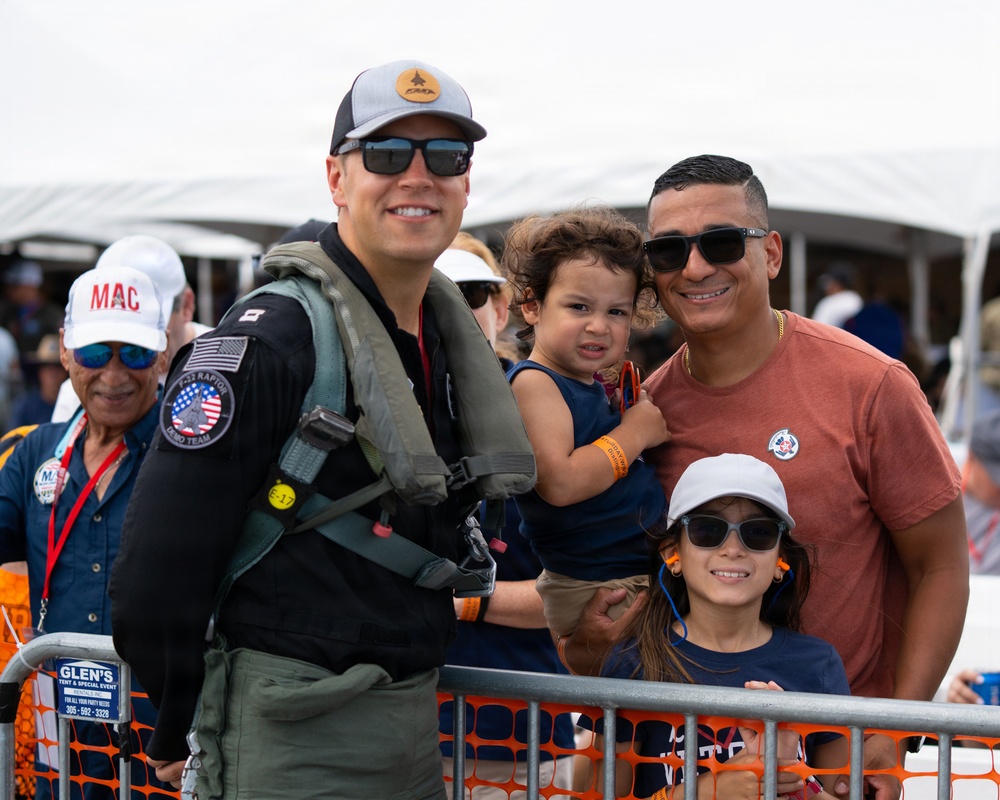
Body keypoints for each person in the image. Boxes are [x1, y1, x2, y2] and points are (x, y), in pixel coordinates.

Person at [109, 60, 534, 800]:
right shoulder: (269, 342)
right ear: (337, 178)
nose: (418, 176)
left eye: (446, 156)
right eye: (387, 154)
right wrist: (180, 722)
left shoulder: (439, 335)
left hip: (413, 726)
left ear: (467, 183)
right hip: (294, 736)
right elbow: (154, 572)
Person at [566, 155, 968, 799]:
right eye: (669, 251)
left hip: (839, 767)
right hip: (683, 770)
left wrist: (899, 726)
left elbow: (939, 565)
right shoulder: (643, 415)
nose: (695, 267)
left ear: (771, 253)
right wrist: (587, 639)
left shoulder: (870, 385)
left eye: (722, 242)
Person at [0, 265, 171, 799]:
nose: (114, 375)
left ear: (162, 355)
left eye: (134, 354)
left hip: (163, 749)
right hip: (62, 743)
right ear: (65, 351)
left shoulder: (193, 454)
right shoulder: (34, 451)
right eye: (96, 353)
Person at [589, 454, 849, 800]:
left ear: (780, 562)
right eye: (707, 530)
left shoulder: (817, 664)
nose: (733, 549)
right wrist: (709, 790)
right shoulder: (632, 663)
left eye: (758, 533)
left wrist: (790, 778)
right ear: (672, 554)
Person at [434, 238, 575, 798]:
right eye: (429, 293)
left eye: (468, 292)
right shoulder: (371, 411)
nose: (449, 307)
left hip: (513, 741)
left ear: (500, 306)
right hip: (390, 732)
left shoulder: (551, 413)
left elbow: (577, 594)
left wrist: (459, 602)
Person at [502, 207, 668, 641]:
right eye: (579, 307)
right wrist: (635, 433)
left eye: (617, 312)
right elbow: (560, 483)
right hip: (604, 588)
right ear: (533, 306)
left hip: (630, 574)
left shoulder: (585, 386)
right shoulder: (534, 383)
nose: (599, 326)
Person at [51, 235, 210, 422]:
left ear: (187, 306)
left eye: (149, 325)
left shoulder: (228, 364)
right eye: (96, 349)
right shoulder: (79, 392)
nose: (112, 378)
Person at [0, 257, 63, 356]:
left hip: (40, 365)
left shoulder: (52, 315)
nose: (9, 290)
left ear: (32, 285)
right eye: (8, 286)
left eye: (16, 286)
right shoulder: (8, 313)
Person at [9, 334, 67, 427]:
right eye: (47, 367)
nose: (53, 374)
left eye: (58, 367)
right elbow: (13, 435)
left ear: (66, 372)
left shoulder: (73, 405)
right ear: (39, 372)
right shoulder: (24, 406)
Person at [810, 262, 863, 329]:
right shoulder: (856, 298)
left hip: (828, 334)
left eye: (830, 282)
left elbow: (814, 328)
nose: (827, 287)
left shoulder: (830, 301)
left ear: (838, 283)